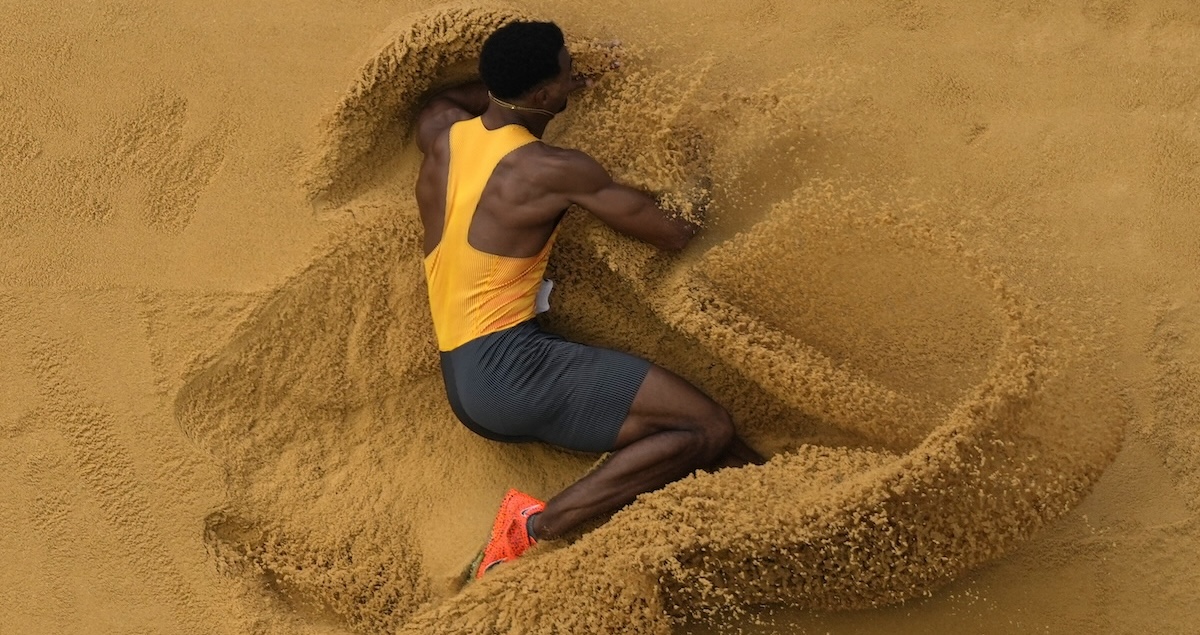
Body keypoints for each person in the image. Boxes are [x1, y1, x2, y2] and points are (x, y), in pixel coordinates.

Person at [414, 20, 763, 580]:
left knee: (686, 440)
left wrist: (545, 86)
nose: (577, 75)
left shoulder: (440, 133)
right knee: (706, 427)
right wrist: (702, 168)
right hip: (512, 370)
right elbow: (674, 233)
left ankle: (768, 508)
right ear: (545, 96)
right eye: (568, 71)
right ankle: (534, 529)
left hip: (464, 376)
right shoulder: (552, 171)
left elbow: (446, 97)